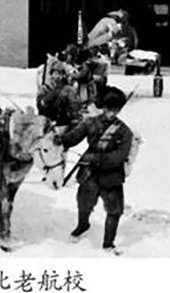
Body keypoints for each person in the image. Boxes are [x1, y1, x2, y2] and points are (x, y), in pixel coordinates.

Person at [56, 86, 132, 254]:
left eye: (116, 110)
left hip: (111, 176)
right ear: (102, 106)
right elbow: (73, 138)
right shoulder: (90, 123)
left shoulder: (125, 131)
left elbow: (120, 156)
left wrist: (96, 158)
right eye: (109, 109)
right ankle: (83, 225)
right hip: (89, 173)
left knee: (114, 210)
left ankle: (108, 243)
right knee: (84, 203)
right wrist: (58, 139)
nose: (112, 113)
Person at [36, 60, 82, 129]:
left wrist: (75, 117)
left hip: (63, 121)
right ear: (51, 75)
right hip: (47, 120)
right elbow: (40, 105)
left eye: (61, 74)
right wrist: (51, 95)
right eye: (56, 74)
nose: (58, 76)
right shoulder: (45, 88)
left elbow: (74, 105)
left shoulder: (67, 89)